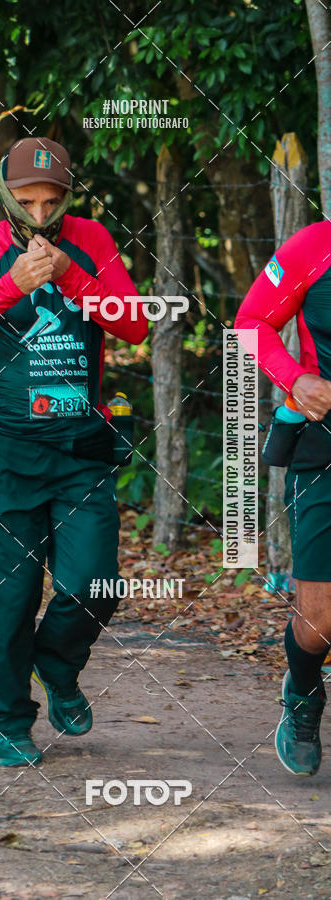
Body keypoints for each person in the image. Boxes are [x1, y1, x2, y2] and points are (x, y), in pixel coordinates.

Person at [0, 136, 147, 766]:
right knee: (6, 598)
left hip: (80, 449)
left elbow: (133, 324)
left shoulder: (93, 241)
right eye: (27, 201)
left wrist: (71, 276)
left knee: (95, 583)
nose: (41, 214)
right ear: (4, 195)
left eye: (52, 201)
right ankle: (8, 721)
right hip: (3, 451)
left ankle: (56, 664)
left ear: (68, 198)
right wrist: (10, 286)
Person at [235, 219, 331, 776]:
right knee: (319, 620)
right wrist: (295, 379)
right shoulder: (315, 246)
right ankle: (303, 689)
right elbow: (250, 324)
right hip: (324, 450)